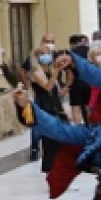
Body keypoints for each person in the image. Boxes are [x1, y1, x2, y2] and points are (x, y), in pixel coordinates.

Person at [26, 44, 70, 172]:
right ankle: (51, 169)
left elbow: (55, 89)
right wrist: (56, 72)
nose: (45, 55)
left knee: (59, 141)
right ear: (36, 56)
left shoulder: (50, 70)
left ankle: (59, 169)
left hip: (55, 106)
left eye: (47, 53)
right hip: (44, 108)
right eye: (41, 53)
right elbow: (47, 87)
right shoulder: (35, 72)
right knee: (50, 141)